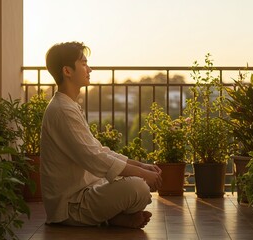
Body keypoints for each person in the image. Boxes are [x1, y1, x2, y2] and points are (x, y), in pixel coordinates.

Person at [40, 41, 162, 229]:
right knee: (138, 188)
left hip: (88, 190)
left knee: (135, 183)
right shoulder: (62, 110)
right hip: (71, 206)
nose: (90, 69)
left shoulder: (69, 106)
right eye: (83, 63)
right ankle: (109, 217)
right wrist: (142, 174)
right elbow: (94, 158)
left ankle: (112, 218)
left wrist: (139, 165)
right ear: (67, 71)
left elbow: (99, 150)